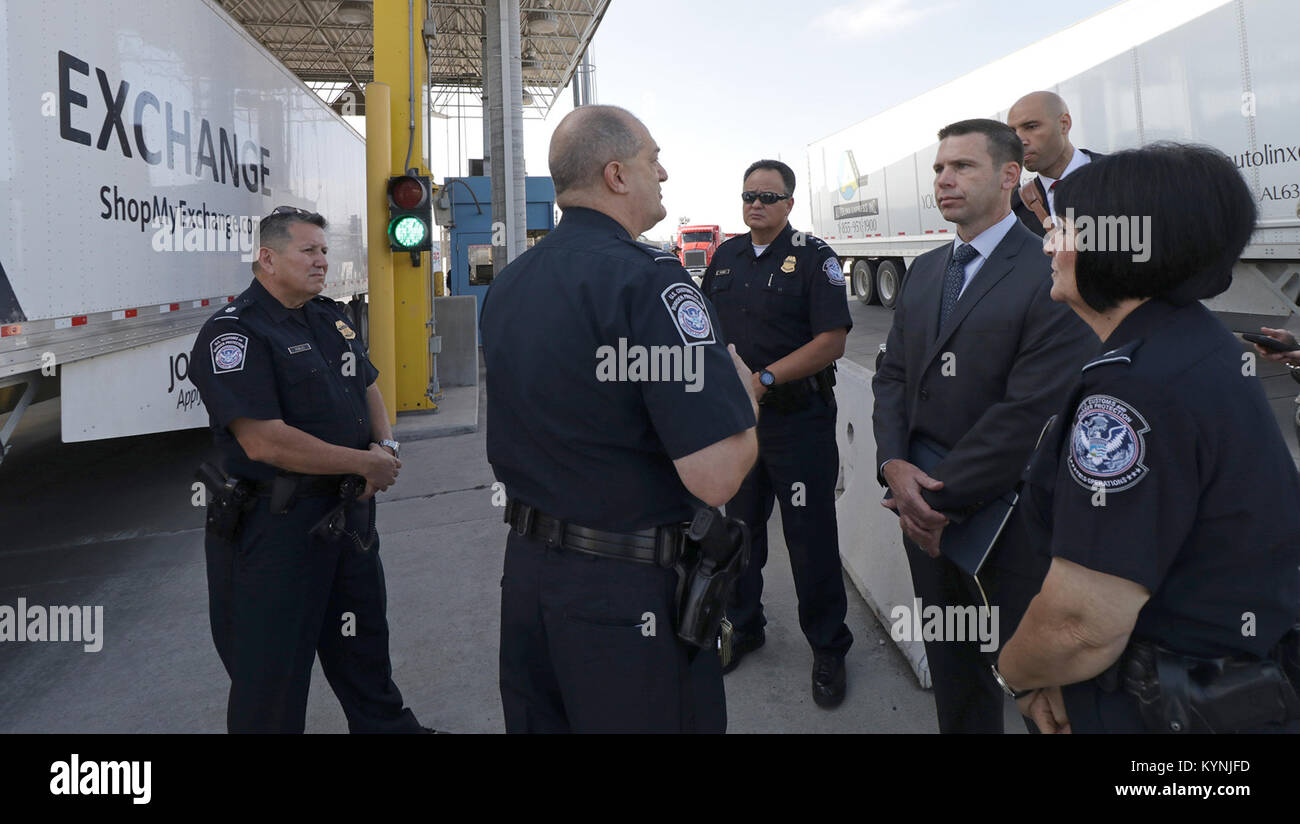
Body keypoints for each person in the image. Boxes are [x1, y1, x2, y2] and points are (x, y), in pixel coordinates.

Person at [994, 143, 1300, 734]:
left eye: (1064, 228)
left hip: (1155, 710)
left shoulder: (1133, 391)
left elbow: (1081, 625)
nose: (1049, 245)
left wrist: (1018, 675)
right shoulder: (1193, 343)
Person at [481, 105, 759, 734]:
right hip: (624, 597)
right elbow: (715, 476)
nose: (663, 172)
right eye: (651, 159)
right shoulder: (651, 284)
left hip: (528, 580)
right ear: (615, 175)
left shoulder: (512, 282)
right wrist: (743, 397)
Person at [871, 119, 1095, 733]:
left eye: (962, 166)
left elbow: (1032, 410)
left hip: (1010, 524)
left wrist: (936, 496)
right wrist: (894, 466)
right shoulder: (923, 270)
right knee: (955, 674)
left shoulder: (1049, 267)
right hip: (920, 511)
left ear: (1008, 175)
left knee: (1037, 687)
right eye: (939, 168)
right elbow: (890, 378)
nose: (944, 179)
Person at [188, 207, 426, 733]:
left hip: (347, 516)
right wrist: (364, 462)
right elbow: (263, 440)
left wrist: (383, 444)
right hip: (278, 530)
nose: (322, 260)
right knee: (270, 676)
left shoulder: (328, 317)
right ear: (267, 258)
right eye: (308, 251)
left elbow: (365, 383)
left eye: (323, 250)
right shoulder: (235, 334)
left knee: (364, 651)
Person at [700, 159, 854, 707]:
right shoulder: (724, 257)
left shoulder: (814, 258)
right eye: (748, 195)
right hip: (739, 425)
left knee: (810, 538)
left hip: (798, 422)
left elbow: (832, 340)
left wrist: (764, 379)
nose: (756, 203)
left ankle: (829, 647)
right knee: (740, 533)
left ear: (790, 203)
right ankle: (745, 625)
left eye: (768, 195)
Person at [1007, 91, 1103, 236]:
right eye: (1013, 132)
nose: (1019, 141)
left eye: (1031, 126)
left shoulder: (1124, 178)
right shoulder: (1015, 208)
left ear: (1064, 124)